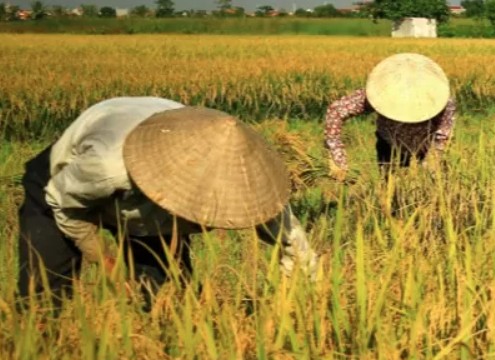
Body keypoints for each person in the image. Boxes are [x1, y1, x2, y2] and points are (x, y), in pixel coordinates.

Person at [16, 97, 318, 306]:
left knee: (166, 299)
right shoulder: (107, 168)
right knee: (44, 291)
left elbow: (294, 244)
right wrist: (104, 260)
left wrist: (302, 305)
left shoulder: (248, 180)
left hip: (146, 190)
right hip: (65, 184)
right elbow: (63, 203)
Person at [324, 53, 455, 178]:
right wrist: (337, 154)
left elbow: (443, 134)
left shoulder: (443, 100)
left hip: (426, 146)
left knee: (434, 187)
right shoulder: (377, 93)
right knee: (388, 188)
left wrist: (432, 160)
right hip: (388, 144)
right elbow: (336, 110)